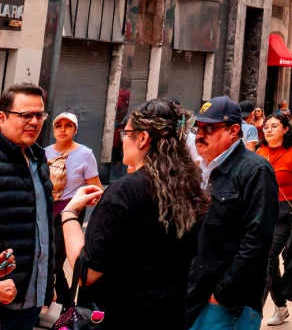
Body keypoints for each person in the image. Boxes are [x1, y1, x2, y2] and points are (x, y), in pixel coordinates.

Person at [60, 98, 207, 328]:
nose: (123, 141)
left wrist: (69, 214)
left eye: (125, 134)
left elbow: (86, 273)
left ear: (142, 138)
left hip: (120, 315)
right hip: (172, 315)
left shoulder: (124, 192)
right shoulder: (191, 188)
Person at [187, 95, 278, 330]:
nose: (200, 134)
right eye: (198, 128)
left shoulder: (255, 171)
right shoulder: (202, 170)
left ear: (234, 131)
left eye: (210, 128)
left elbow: (257, 240)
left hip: (229, 304)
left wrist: (223, 293)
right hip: (197, 293)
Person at [0, 84, 54, 330]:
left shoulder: (38, 158)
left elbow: (42, 225)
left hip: (28, 301)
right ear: (2, 117)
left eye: (39, 115)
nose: (34, 122)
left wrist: (46, 281)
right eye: (25, 115)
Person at [256, 113, 292, 326]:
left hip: (284, 213)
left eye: (274, 126)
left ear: (286, 129)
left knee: (267, 259)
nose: (268, 130)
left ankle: (254, 312)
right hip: (261, 213)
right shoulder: (260, 152)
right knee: (269, 264)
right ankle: (281, 306)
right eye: (266, 126)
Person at [46, 111, 102, 306]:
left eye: (68, 126)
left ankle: (65, 307)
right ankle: (57, 304)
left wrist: (89, 201)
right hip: (45, 211)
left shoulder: (85, 154)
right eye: (58, 126)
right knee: (45, 259)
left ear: (75, 129)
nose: (62, 130)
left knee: (55, 262)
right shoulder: (44, 152)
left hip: (70, 212)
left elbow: (96, 188)